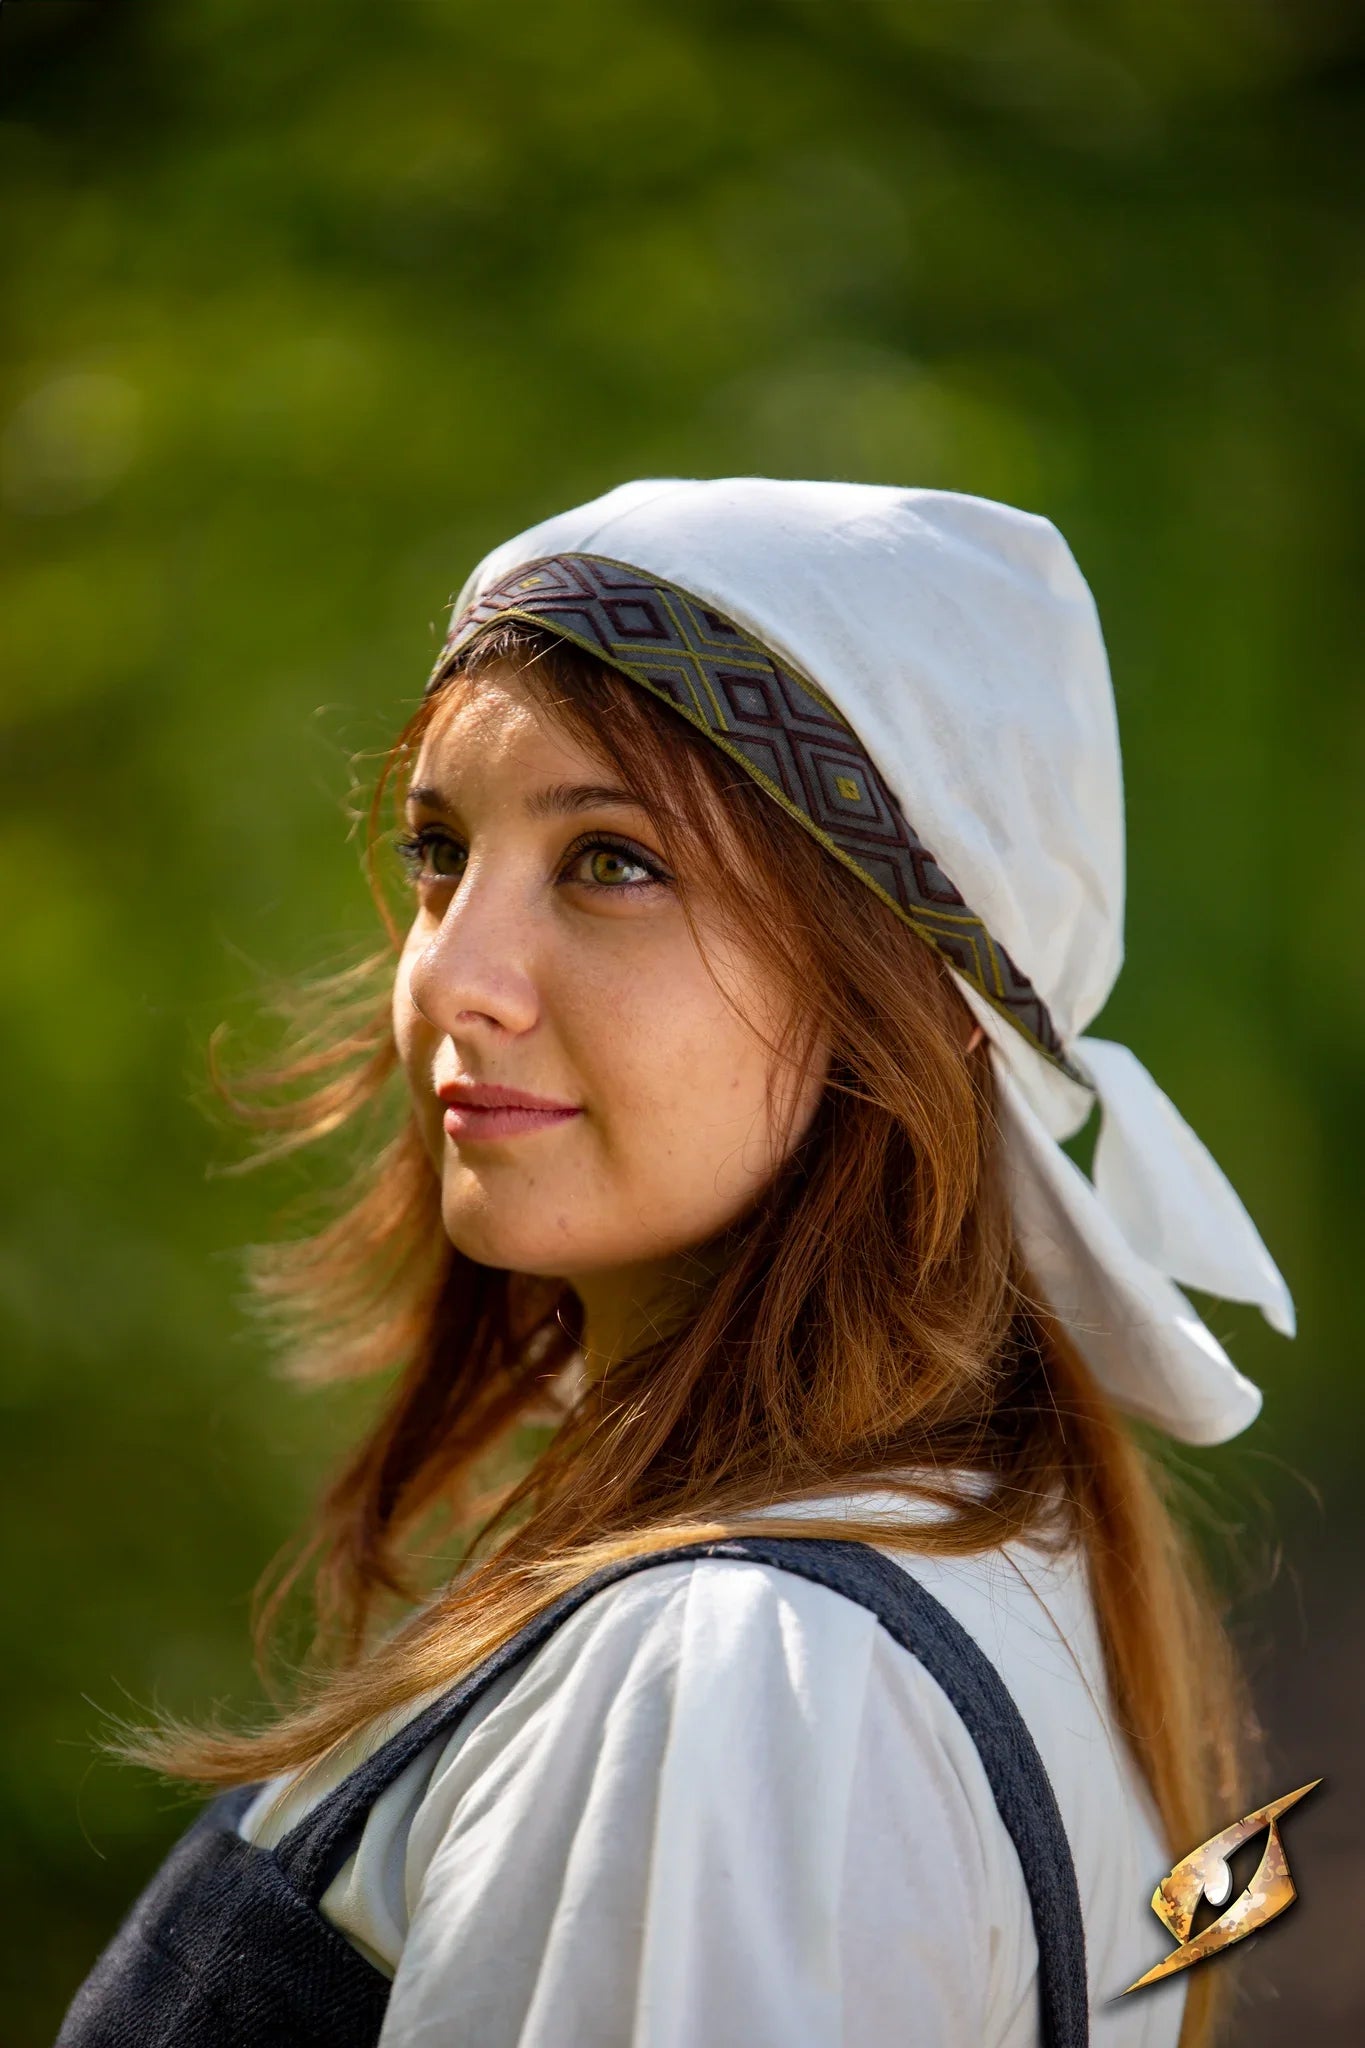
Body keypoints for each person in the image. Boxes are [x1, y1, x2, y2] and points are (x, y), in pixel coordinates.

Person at [57, 479, 1294, 2048]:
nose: (451, 972)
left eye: (612, 863)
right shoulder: (967, 1562)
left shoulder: (738, 1689)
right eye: (440, 849)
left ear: (892, 990)